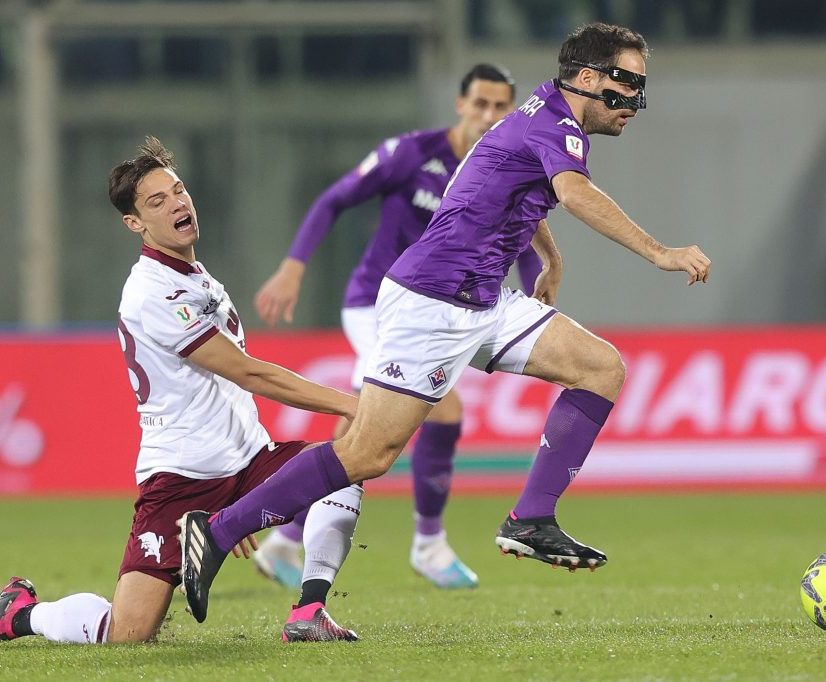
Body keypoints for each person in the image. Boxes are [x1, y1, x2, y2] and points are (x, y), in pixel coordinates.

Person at [178, 22, 711, 623]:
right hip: (432, 300)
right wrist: (661, 252)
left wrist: (551, 257)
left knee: (601, 368)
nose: (635, 101)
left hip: (484, 298)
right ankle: (220, 530)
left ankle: (531, 518)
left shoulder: (544, 117)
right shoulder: (556, 125)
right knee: (368, 453)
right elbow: (576, 193)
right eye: (628, 84)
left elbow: (513, 181)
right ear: (588, 78)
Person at [0, 137, 364, 645]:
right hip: (183, 476)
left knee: (346, 468)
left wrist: (240, 508)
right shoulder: (153, 292)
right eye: (157, 201)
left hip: (247, 458)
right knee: (129, 633)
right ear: (135, 224)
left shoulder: (197, 275)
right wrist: (352, 402)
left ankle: (308, 610)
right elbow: (248, 373)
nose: (178, 203)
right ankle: (21, 613)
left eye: (178, 190)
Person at [251, 63, 538, 593]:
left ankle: (285, 537)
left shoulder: (503, 169)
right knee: (436, 409)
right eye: (480, 104)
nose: (489, 116)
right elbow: (335, 198)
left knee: (365, 421)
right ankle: (428, 545)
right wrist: (294, 266)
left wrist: (537, 292)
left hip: (441, 311)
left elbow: (522, 240)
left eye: (501, 108)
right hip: (377, 304)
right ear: (460, 104)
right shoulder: (412, 154)